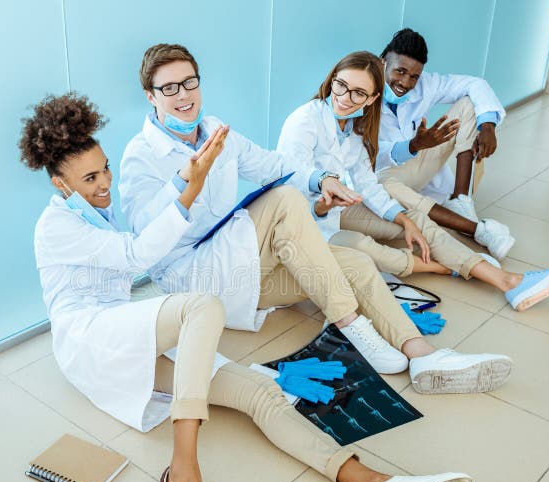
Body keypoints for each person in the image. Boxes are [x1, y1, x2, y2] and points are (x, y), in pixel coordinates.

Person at [20, 92, 477, 482]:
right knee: (201, 309)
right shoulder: (56, 226)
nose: (104, 184)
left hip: (123, 332)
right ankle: (181, 478)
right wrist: (190, 188)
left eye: (104, 170)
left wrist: (187, 180)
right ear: (60, 184)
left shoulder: (92, 208)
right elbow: (138, 254)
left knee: (260, 392)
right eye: (90, 179)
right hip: (89, 336)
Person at [120, 43, 513, 389]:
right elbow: (142, 239)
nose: (183, 95)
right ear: (150, 96)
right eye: (169, 88)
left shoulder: (217, 133)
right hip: (194, 275)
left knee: (355, 262)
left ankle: (424, 355)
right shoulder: (140, 155)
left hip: (243, 274)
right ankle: (351, 325)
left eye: (190, 82)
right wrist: (184, 184)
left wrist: (322, 178)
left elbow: (277, 165)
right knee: (287, 200)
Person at [276, 51, 549, 312]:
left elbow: (366, 184)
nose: (345, 98)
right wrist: (324, 187)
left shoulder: (353, 128)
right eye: (341, 86)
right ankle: (449, 266)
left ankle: (510, 282)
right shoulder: (305, 120)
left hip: (336, 210)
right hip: (305, 220)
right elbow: (291, 173)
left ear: (371, 99)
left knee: (416, 219)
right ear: (331, 81)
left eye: (358, 93)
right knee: (366, 249)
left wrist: (404, 220)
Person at [377, 28, 515, 259]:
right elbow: (363, 154)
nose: (406, 82)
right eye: (400, 71)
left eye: (414, 76)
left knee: (469, 105)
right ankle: (479, 230)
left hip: (418, 165)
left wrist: (487, 126)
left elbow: (475, 84)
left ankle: (460, 201)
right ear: (383, 63)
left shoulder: (425, 84)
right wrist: (413, 146)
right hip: (384, 175)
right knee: (386, 186)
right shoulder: (361, 89)